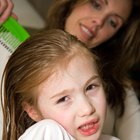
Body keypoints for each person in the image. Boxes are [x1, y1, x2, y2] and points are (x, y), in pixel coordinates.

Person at [0, 0, 140, 139]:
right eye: (96, 4)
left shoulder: (121, 90)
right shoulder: (11, 44)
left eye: (113, 22)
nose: (98, 21)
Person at [1, 29, 119, 140]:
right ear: (33, 111)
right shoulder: (49, 132)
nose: (87, 109)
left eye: (90, 87)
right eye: (63, 99)